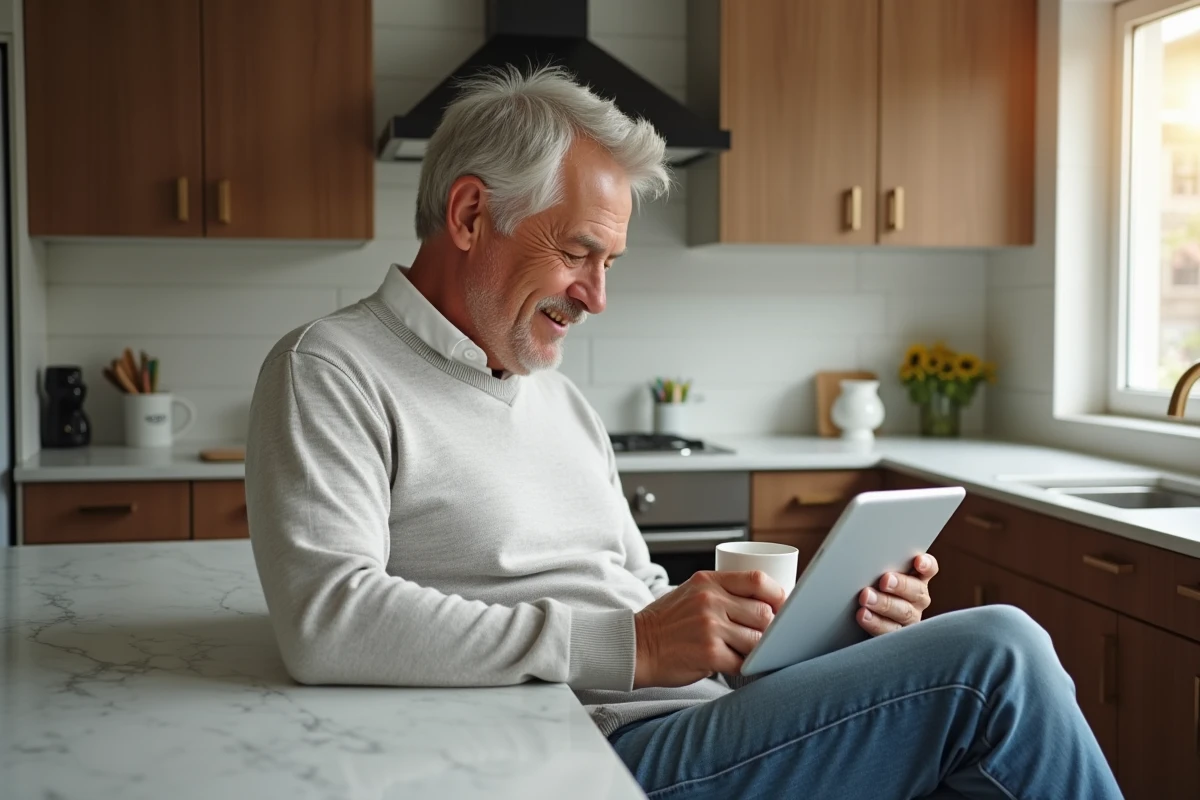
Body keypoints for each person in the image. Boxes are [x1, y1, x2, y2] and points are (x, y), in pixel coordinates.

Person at [245, 66, 1121, 799]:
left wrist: (820, 643)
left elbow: (641, 594)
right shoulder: (334, 368)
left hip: (699, 717)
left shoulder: (558, 401)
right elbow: (329, 619)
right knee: (995, 658)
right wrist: (637, 645)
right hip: (590, 753)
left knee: (972, 712)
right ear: (471, 217)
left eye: (609, 262)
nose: (596, 296)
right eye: (579, 252)